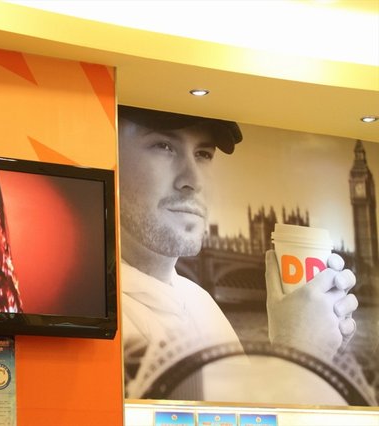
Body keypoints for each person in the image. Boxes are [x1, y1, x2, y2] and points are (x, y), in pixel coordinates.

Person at [118, 105, 359, 399]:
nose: (193, 180)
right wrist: (300, 351)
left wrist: (318, 346)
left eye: (203, 154)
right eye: (164, 146)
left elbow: (243, 411)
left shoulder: (200, 302)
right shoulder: (103, 320)